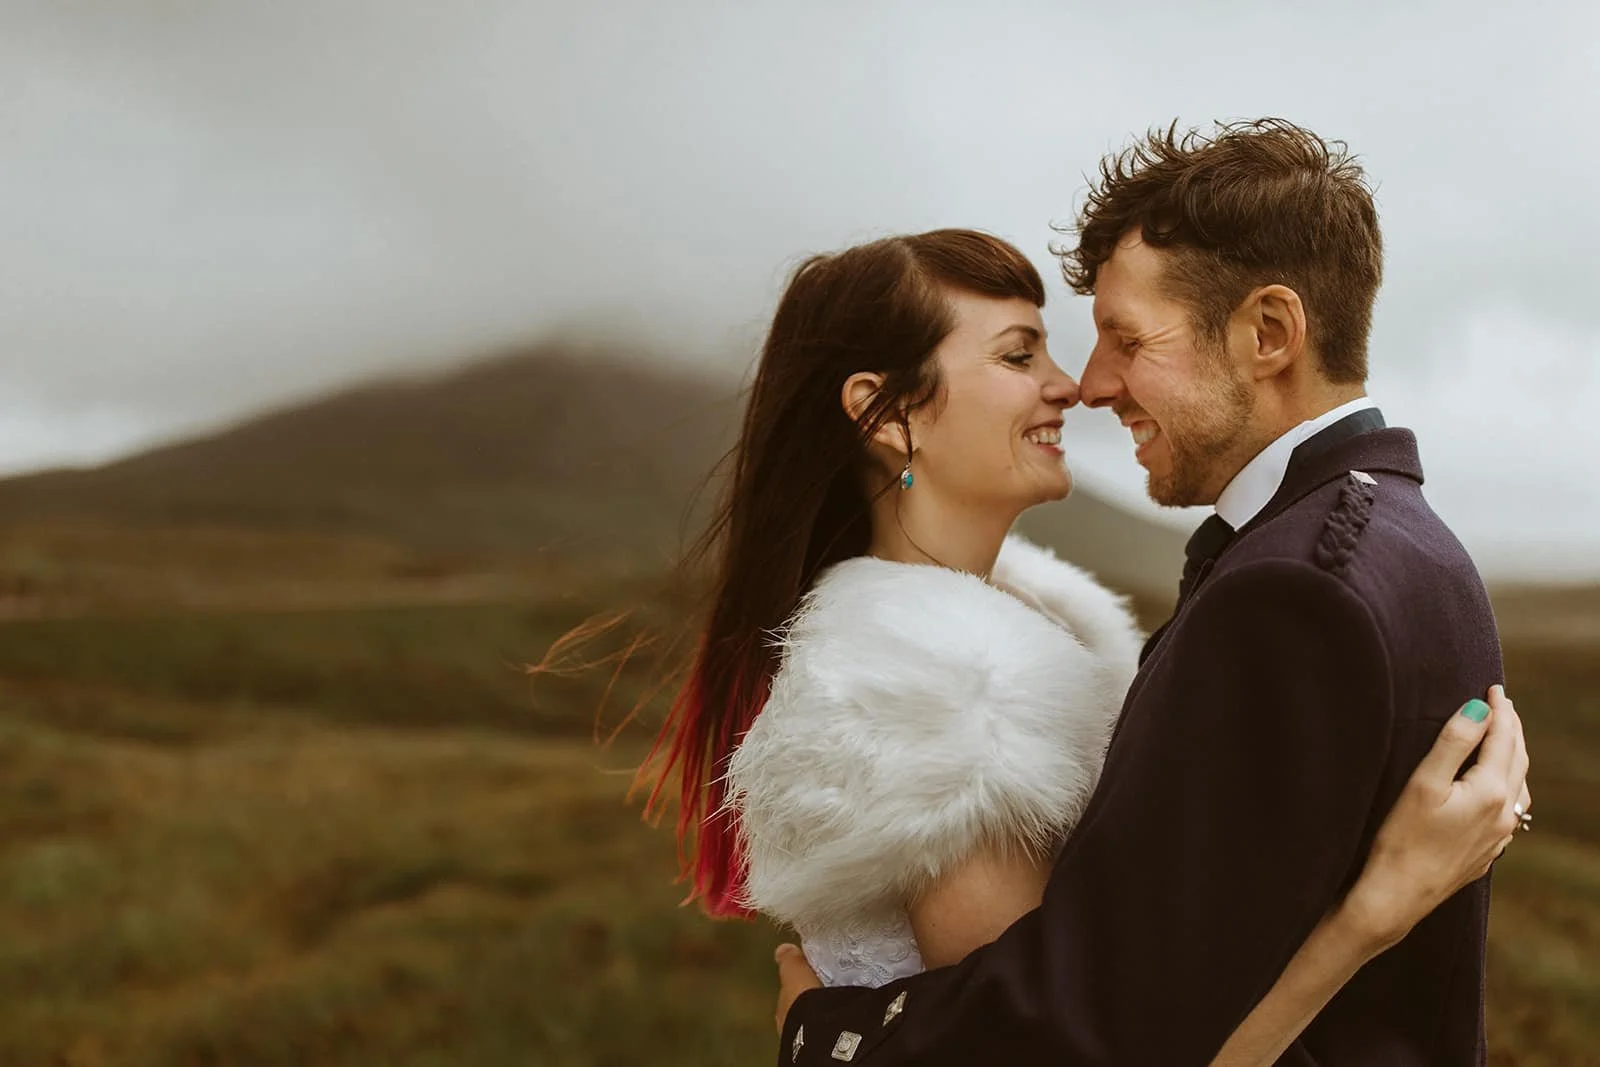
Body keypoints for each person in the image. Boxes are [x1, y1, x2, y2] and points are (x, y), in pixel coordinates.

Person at [749, 122, 1522, 1064]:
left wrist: (823, 1039)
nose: (1088, 382)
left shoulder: (1291, 591)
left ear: (1270, 333)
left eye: (1124, 337)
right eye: (1021, 354)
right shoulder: (1412, 542)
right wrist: (1372, 913)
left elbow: (1091, 1031)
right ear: (890, 413)